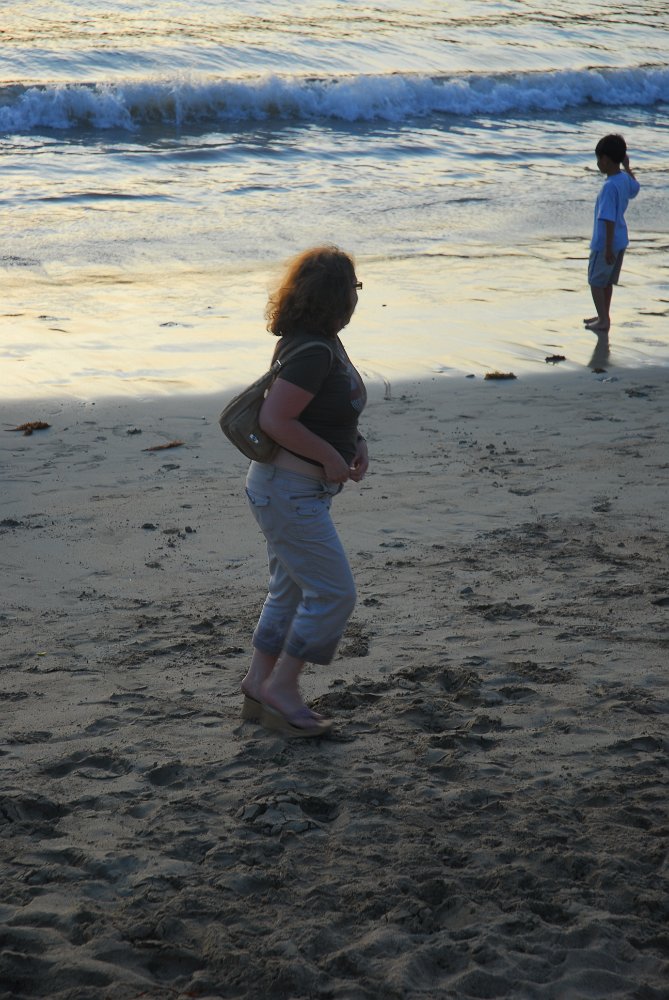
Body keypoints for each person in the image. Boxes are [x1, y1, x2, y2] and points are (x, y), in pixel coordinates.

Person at [240, 245, 368, 738]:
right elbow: (276, 419)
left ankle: (259, 684)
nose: (357, 297)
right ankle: (283, 687)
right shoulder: (312, 350)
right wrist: (330, 457)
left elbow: (324, 410)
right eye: (354, 288)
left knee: (290, 590)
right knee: (334, 594)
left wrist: (354, 442)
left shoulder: (320, 342)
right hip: (287, 489)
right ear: (337, 296)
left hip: (291, 489)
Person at [584, 133, 640, 333]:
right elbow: (635, 189)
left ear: (606, 160)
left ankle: (603, 320)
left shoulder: (609, 187)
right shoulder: (623, 178)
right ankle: (603, 315)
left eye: (599, 159)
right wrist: (627, 167)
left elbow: (607, 218)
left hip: (606, 243)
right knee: (607, 281)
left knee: (595, 282)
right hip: (620, 240)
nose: (598, 163)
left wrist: (607, 248)